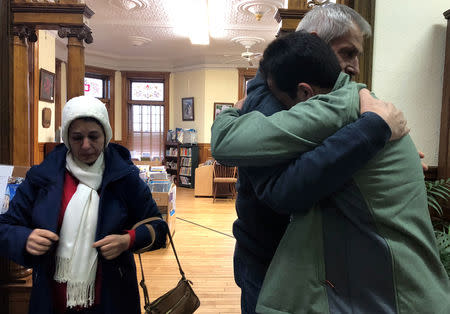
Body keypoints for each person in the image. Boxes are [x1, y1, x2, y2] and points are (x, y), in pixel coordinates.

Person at [210, 4, 412, 314]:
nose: (356, 66)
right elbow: (283, 191)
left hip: (306, 257)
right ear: (316, 41)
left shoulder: (320, 93)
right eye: (348, 52)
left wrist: (381, 159)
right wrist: (375, 129)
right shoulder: (273, 96)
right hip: (269, 259)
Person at [0, 95, 168, 314]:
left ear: (105, 136)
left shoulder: (125, 178)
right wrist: (25, 239)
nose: (86, 145)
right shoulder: (42, 177)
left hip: (112, 300)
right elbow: (6, 226)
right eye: (77, 137)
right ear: (67, 138)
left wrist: (128, 240)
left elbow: (158, 228)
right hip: (52, 300)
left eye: (93, 136)